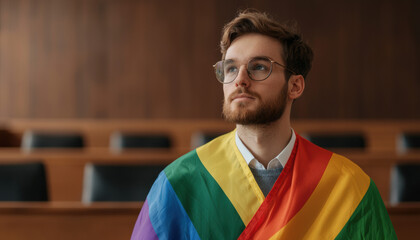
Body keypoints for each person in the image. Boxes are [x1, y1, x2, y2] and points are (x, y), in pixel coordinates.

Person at [131, 9, 396, 239]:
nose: (240, 80)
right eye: (231, 68)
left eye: (259, 67)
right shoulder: (180, 184)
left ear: (295, 85)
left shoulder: (348, 187)